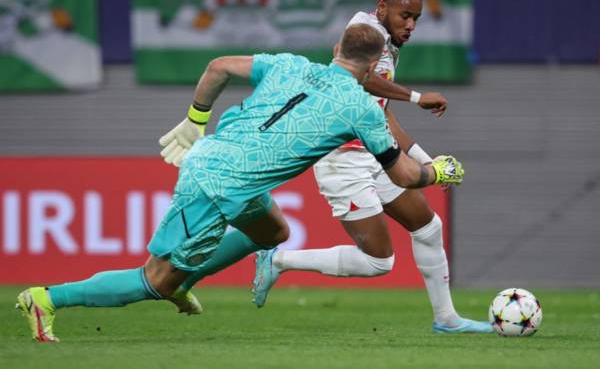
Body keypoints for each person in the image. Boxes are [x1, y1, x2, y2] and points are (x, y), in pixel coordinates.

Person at [16, 23, 464, 342]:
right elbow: (403, 175)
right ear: (372, 73)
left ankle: (187, 280)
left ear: (335, 48)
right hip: (215, 184)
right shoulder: (362, 106)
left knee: (273, 231)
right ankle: (47, 298)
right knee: (155, 280)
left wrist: (195, 120)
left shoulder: (290, 64)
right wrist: (438, 172)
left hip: (224, 165)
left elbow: (218, 67)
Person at [250, 0, 493, 334]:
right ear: (383, 9)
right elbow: (362, 80)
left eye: (416, 18)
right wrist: (416, 96)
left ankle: (447, 319)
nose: (410, 25)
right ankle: (279, 260)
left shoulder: (383, 39)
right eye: (404, 15)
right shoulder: (365, 34)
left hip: (374, 151)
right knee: (378, 263)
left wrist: (425, 161)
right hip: (343, 158)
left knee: (428, 226)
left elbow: (380, 112)